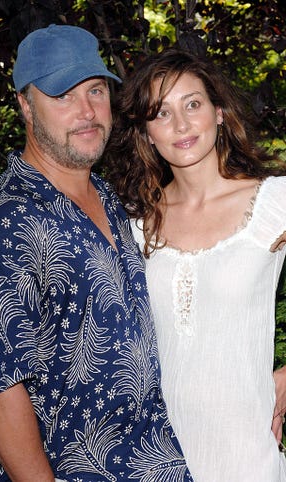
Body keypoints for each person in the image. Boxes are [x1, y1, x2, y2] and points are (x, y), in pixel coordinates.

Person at [0, 26, 193, 482]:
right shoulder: (3, 223)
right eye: (62, 95)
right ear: (25, 105)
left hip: (155, 462)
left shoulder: (108, 196)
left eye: (94, 89)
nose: (87, 111)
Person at [105, 47, 286, 481]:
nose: (181, 125)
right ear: (146, 132)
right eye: (162, 113)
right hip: (153, 459)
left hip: (247, 456)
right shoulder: (134, 224)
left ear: (219, 112)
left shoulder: (274, 201)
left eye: (193, 104)